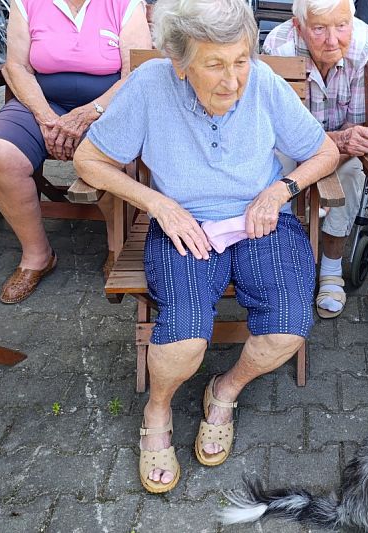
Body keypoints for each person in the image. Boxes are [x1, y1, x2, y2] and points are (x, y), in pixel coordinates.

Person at [73, 0, 338, 494]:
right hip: (185, 224)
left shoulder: (261, 82)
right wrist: (157, 203)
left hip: (264, 220)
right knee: (184, 338)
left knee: (288, 329)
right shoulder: (152, 85)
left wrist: (281, 190)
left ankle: (226, 389)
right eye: (214, 64)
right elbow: (89, 160)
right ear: (180, 62)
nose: (233, 80)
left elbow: (324, 151)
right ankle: (158, 409)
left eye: (240, 60)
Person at [0, 0, 152, 304]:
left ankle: (116, 245)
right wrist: (47, 118)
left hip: (107, 109)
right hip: (42, 106)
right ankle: (37, 255)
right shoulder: (28, 3)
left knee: (115, 156)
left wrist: (88, 113)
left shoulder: (124, 4)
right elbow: (16, 66)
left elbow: (135, 73)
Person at [263, 0, 368, 320]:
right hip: (290, 148)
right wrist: (333, 141)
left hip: (342, 151)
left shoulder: (365, 43)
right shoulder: (279, 45)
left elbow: (357, 128)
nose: (333, 40)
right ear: (298, 26)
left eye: (341, 26)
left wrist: (344, 142)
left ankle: (330, 269)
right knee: (272, 172)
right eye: (319, 28)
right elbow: (277, 131)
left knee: (356, 172)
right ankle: (285, 264)